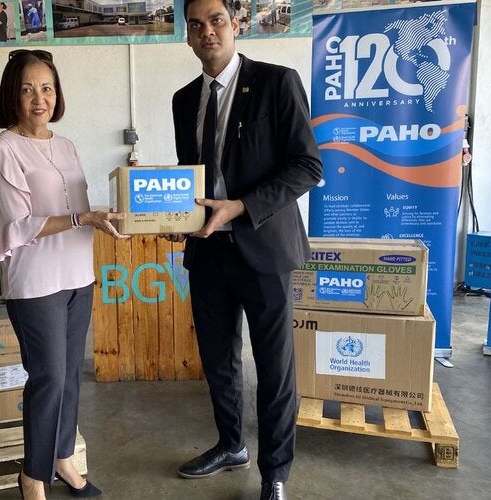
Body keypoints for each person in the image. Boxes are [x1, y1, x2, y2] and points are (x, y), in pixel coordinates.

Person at [167, 1, 323, 499]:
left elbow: (307, 166)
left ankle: (275, 473)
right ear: (187, 35)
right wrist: (179, 218)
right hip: (209, 252)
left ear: (237, 24)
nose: (206, 31)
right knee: (218, 360)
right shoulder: (183, 99)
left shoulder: (277, 82)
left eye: (216, 20)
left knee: (275, 369)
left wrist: (241, 206)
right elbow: (192, 176)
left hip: (265, 250)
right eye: (196, 24)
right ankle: (231, 444)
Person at [0, 49, 128, 500]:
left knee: (69, 376)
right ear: (12, 96)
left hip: (77, 275)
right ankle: (33, 475)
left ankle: (63, 458)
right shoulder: (2, 152)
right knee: (47, 380)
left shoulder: (65, 146)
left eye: (47, 88)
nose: (39, 99)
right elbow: (17, 225)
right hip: (36, 282)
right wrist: (84, 219)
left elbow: (79, 205)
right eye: (27, 89)